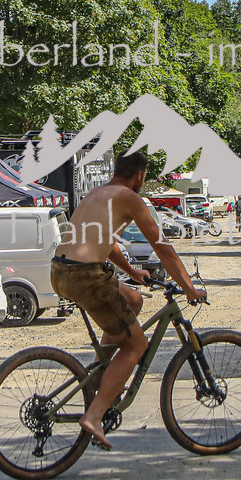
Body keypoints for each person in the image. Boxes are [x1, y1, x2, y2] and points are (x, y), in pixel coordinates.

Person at [52, 151, 207, 451]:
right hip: (87, 277)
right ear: (140, 176)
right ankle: (94, 416)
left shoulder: (97, 193)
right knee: (137, 344)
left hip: (60, 271)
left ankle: (100, 373)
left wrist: (133, 271)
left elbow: (104, 243)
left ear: (116, 170)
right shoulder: (130, 198)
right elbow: (163, 249)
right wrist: (189, 288)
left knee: (133, 299)